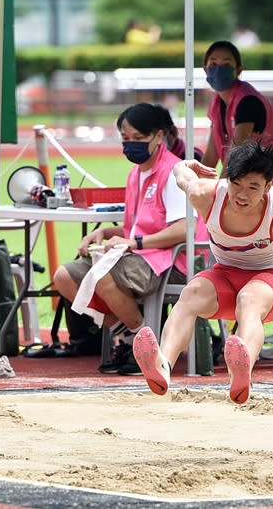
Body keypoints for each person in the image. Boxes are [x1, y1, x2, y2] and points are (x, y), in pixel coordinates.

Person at [133, 142, 273, 404]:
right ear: (226, 179)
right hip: (225, 276)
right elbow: (181, 175)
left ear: (268, 187)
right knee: (191, 293)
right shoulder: (206, 195)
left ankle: (241, 372)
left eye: (253, 187)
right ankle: (163, 366)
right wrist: (185, 164)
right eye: (236, 184)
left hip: (270, 281)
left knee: (249, 299)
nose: (242, 195)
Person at [52, 103, 201, 376]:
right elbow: (134, 227)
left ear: (158, 136)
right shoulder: (136, 173)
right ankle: (135, 340)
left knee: (103, 275)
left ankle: (142, 343)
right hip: (137, 256)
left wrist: (136, 243)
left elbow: (184, 229)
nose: (130, 145)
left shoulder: (174, 172)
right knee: (64, 276)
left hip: (170, 261)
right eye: (125, 139)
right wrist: (105, 233)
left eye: (137, 138)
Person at [200, 40, 273, 360]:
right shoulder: (217, 104)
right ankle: (252, 335)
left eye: (225, 62)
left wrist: (219, 192)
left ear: (238, 69)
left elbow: (238, 154)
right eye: (212, 62)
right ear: (205, 68)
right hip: (248, 191)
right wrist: (197, 178)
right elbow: (211, 154)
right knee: (248, 260)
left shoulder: (246, 103)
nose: (218, 68)